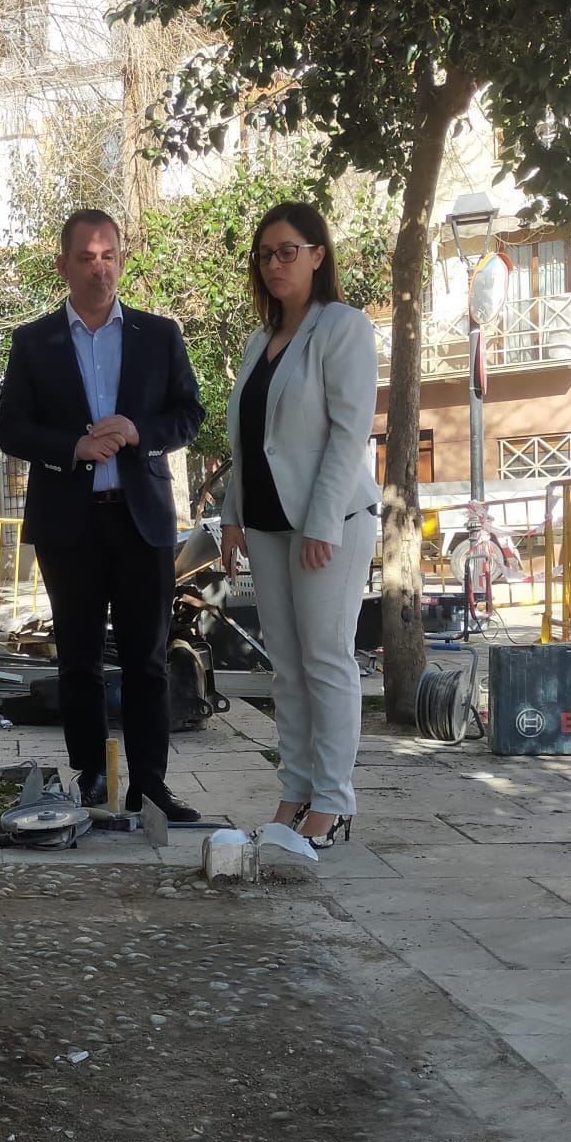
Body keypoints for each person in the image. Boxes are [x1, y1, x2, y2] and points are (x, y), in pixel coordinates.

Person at [0, 209, 206, 821]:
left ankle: (151, 785)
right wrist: (72, 447)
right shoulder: (34, 342)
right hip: (70, 524)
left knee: (147, 659)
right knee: (78, 659)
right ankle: (90, 778)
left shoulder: (158, 335)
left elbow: (189, 414)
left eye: (109, 255)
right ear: (62, 266)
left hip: (141, 521)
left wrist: (140, 430)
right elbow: (10, 427)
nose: (99, 268)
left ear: (122, 258)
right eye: (85, 258)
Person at [219, 201, 382, 846]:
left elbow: (348, 434)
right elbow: (249, 442)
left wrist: (322, 523)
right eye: (265, 254)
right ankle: (294, 790)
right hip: (263, 522)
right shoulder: (260, 342)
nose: (275, 264)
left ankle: (334, 803)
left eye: (288, 250)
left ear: (318, 255)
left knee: (326, 660)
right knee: (285, 667)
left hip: (328, 522)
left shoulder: (342, 327)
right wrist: (232, 516)